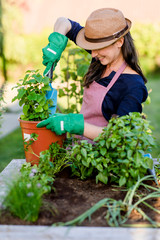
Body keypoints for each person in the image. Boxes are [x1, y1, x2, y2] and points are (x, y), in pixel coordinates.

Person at [37, 8, 148, 142]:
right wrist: (56, 42)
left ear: (119, 42)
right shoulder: (102, 57)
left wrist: (74, 124)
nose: (93, 54)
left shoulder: (133, 85)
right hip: (81, 151)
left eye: (99, 48)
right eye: (92, 47)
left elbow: (120, 137)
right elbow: (64, 22)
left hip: (104, 159)